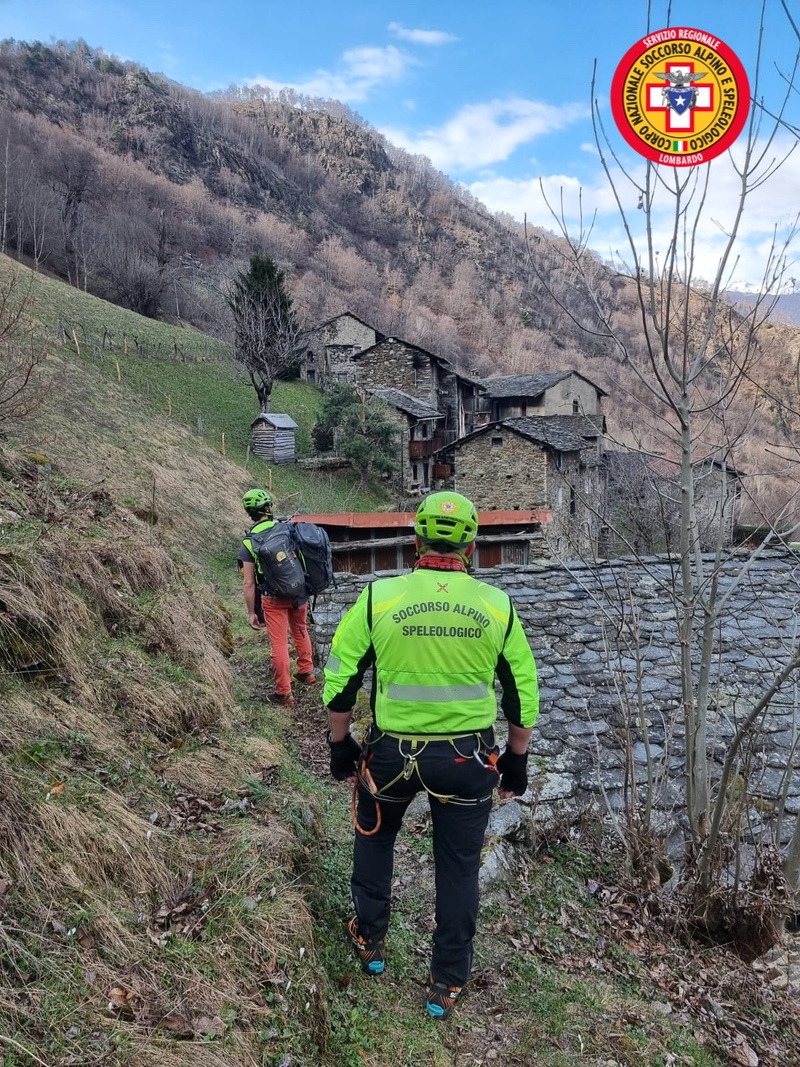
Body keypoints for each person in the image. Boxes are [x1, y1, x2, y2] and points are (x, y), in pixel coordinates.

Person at [322, 491, 539, 1020]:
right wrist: (516, 759)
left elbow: (341, 677)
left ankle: (370, 939)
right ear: (471, 547)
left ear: (416, 542)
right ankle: (447, 980)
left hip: (390, 756)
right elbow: (522, 690)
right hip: (467, 761)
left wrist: (340, 743)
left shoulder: (378, 598)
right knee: (459, 868)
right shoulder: (497, 606)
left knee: (375, 840)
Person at [238, 488, 317, 706]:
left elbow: (248, 582)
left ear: (249, 513)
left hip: (273, 598)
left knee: (279, 643)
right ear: (268, 508)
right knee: (300, 629)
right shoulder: (286, 528)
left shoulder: (248, 543)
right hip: (298, 589)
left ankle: (284, 692)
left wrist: (252, 613)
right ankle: (307, 671)